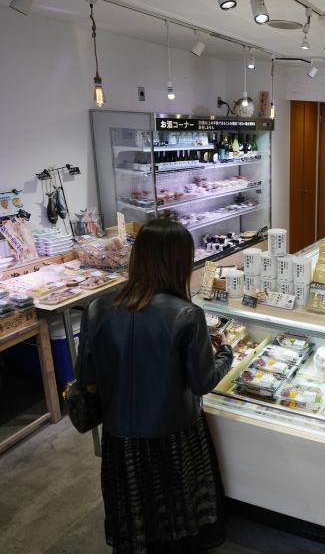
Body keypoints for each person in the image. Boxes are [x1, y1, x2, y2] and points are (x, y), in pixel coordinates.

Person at [77, 219, 234, 553]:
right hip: (175, 434)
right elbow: (202, 381)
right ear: (179, 262)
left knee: (136, 510)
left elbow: (87, 376)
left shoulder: (97, 309)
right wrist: (227, 353)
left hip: (120, 437)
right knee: (176, 513)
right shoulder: (187, 314)